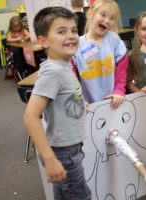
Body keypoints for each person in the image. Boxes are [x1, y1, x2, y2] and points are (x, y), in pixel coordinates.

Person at [24, 7, 91, 200]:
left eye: (74, 30)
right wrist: (50, 159)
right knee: (81, 196)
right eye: (62, 31)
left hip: (69, 149)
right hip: (64, 153)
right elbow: (30, 116)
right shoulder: (53, 71)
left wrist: (80, 103)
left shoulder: (64, 65)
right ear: (43, 41)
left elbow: (64, 95)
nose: (71, 35)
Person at [74, 0, 128, 109]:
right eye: (103, 15)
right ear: (90, 14)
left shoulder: (114, 40)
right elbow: (72, 76)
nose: (107, 20)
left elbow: (122, 68)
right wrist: (78, 99)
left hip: (113, 101)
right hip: (87, 106)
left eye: (112, 18)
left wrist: (119, 90)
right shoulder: (77, 45)